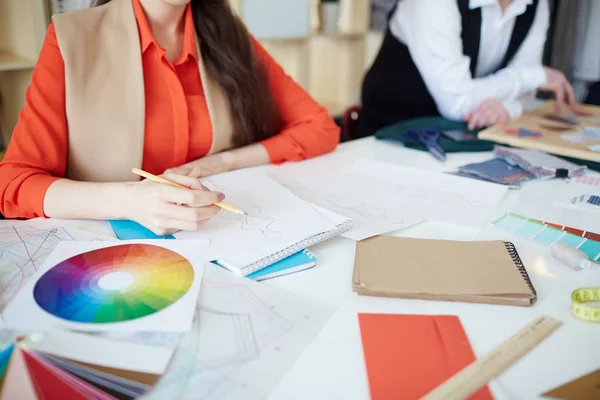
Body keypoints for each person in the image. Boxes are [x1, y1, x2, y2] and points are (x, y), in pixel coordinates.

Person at [0, 0, 340, 234]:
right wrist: (129, 201)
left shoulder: (231, 38)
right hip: (104, 254)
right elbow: (13, 183)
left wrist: (220, 163)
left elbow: (320, 127)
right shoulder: (70, 38)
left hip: (221, 239)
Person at [357, 0, 577, 138]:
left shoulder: (535, 4)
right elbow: (457, 103)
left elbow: (523, 91)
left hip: (464, 138)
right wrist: (536, 76)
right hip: (391, 137)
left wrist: (509, 109)